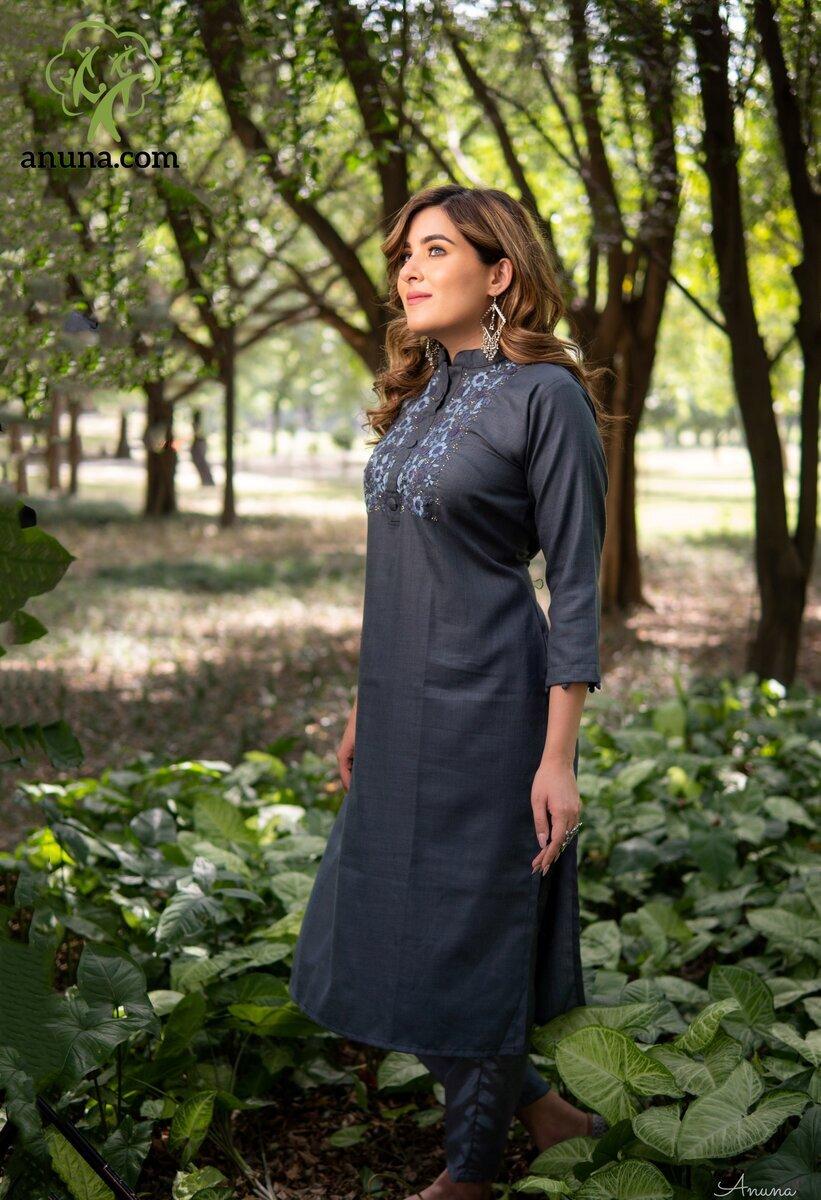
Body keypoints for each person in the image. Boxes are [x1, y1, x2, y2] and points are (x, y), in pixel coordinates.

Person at [289, 184, 612, 1199]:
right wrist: (363, 706)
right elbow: (395, 568)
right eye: (404, 254)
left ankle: (468, 1175)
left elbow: (574, 585)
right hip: (397, 710)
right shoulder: (418, 391)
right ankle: (546, 1114)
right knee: (375, 926)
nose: (409, 270)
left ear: (498, 272)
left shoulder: (545, 396)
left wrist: (556, 757)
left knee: (470, 936)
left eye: (435, 250)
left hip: (491, 713)